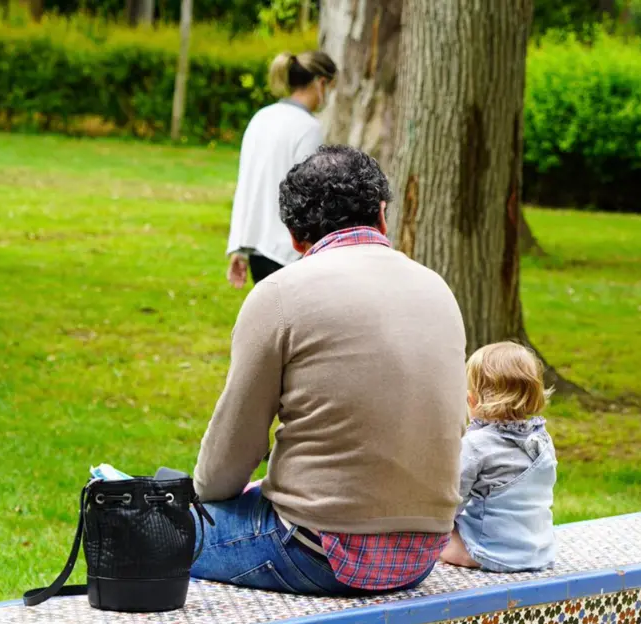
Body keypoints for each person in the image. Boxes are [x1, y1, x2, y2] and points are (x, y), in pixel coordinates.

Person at [191, 145, 468, 596]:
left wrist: (201, 501)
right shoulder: (437, 288)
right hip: (422, 555)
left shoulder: (280, 294)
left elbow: (229, 457)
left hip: (318, 552)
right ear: (381, 216)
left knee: (152, 524)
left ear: (294, 237)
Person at [441, 342, 557, 573]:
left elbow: (450, 502)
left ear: (472, 400)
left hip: (492, 552)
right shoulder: (542, 440)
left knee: (433, 540)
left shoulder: (476, 445)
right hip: (538, 551)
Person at [225, 51, 336, 289]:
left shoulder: (261, 118)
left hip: (257, 249)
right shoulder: (308, 128)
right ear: (321, 83)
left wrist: (239, 247)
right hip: (289, 253)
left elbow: (247, 185)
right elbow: (309, 193)